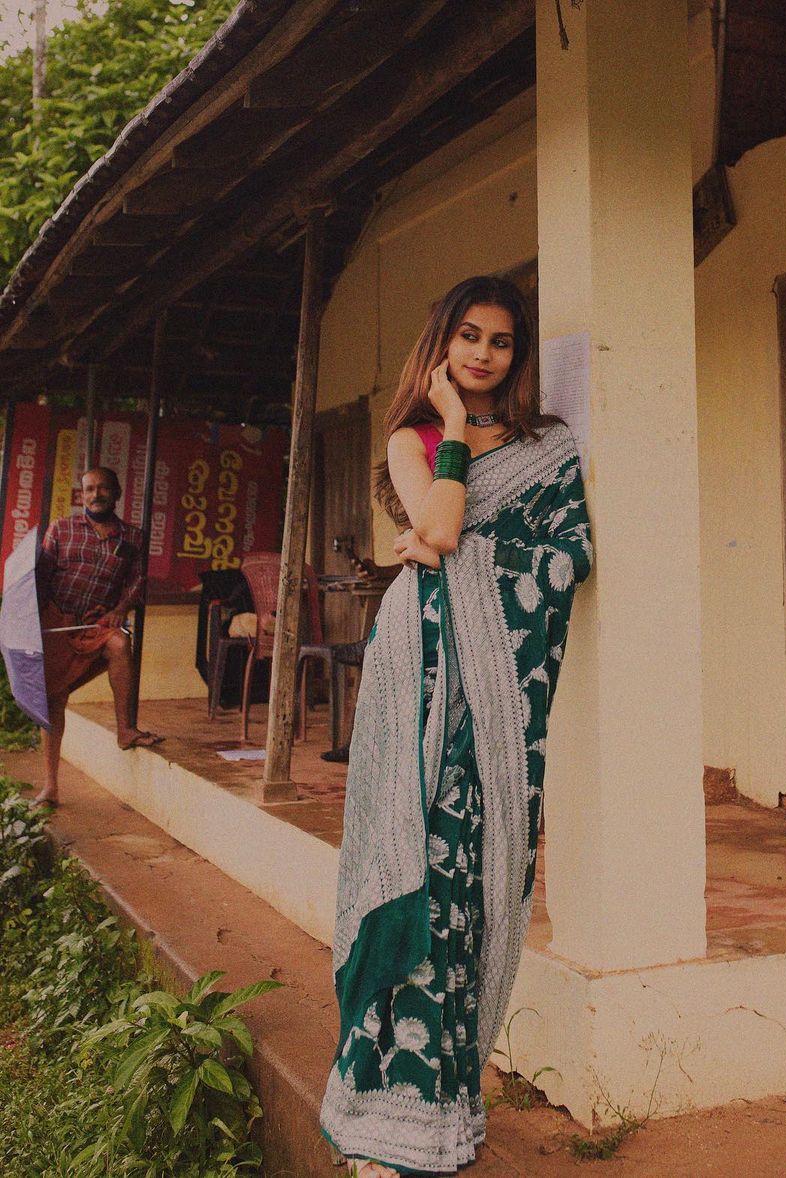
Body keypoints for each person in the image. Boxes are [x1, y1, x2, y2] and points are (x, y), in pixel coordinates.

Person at [320, 277, 592, 1176]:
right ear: (442, 344)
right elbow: (436, 527)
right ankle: (380, 1112)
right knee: (414, 861)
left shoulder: (546, 450)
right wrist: (450, 431)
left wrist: (454, 540)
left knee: (467, 881)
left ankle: (444, 1116)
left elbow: (566, 555)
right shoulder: (415, 436)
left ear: (518, 356)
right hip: (419, 677)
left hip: (497, 688)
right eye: (467, 337)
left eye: (502, 342)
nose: (482, 354)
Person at [33, 466, 163, 806]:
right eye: (89, 489)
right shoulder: (61, 528)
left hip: (97, 622)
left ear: (117, 493)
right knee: (53, 701)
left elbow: (137, 582)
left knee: (120, 642)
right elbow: (41, 577)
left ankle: (124, 731)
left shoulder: (132, 537)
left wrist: (121, 608)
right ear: (82, 494)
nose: (96, 495)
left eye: (103, 488)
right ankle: (50, 786)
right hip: (56, 622)